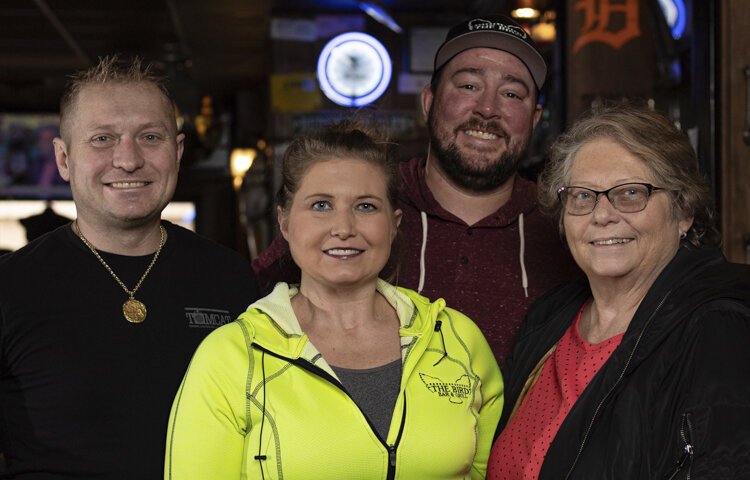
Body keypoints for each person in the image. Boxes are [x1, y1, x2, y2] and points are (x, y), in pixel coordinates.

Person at [165, 120, 503, 479]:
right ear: (285, 221)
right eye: (321, 205)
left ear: (394, 223)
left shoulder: (456, 339)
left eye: (367, 207)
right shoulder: (231, 356)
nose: (343, 227)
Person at [253, 15, 580, 366]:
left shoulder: (567, 224)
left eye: (512, 93)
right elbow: (249, 304)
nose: (488, 108)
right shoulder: (367, 204)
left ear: (533, 118)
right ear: (428, 102)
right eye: (469, 86)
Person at [0, 55, 258, 479]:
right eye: (102, 139)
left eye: (150, 137)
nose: (128, 159)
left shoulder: (231, 279)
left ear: (176, 152)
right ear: (64, 159)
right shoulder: (11, 286)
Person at [487, 102, 750, 479]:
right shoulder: (548, 320)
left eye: (630, 193)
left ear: (684, 210)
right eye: (582, 195)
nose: (603, 214)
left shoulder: (721, 331)